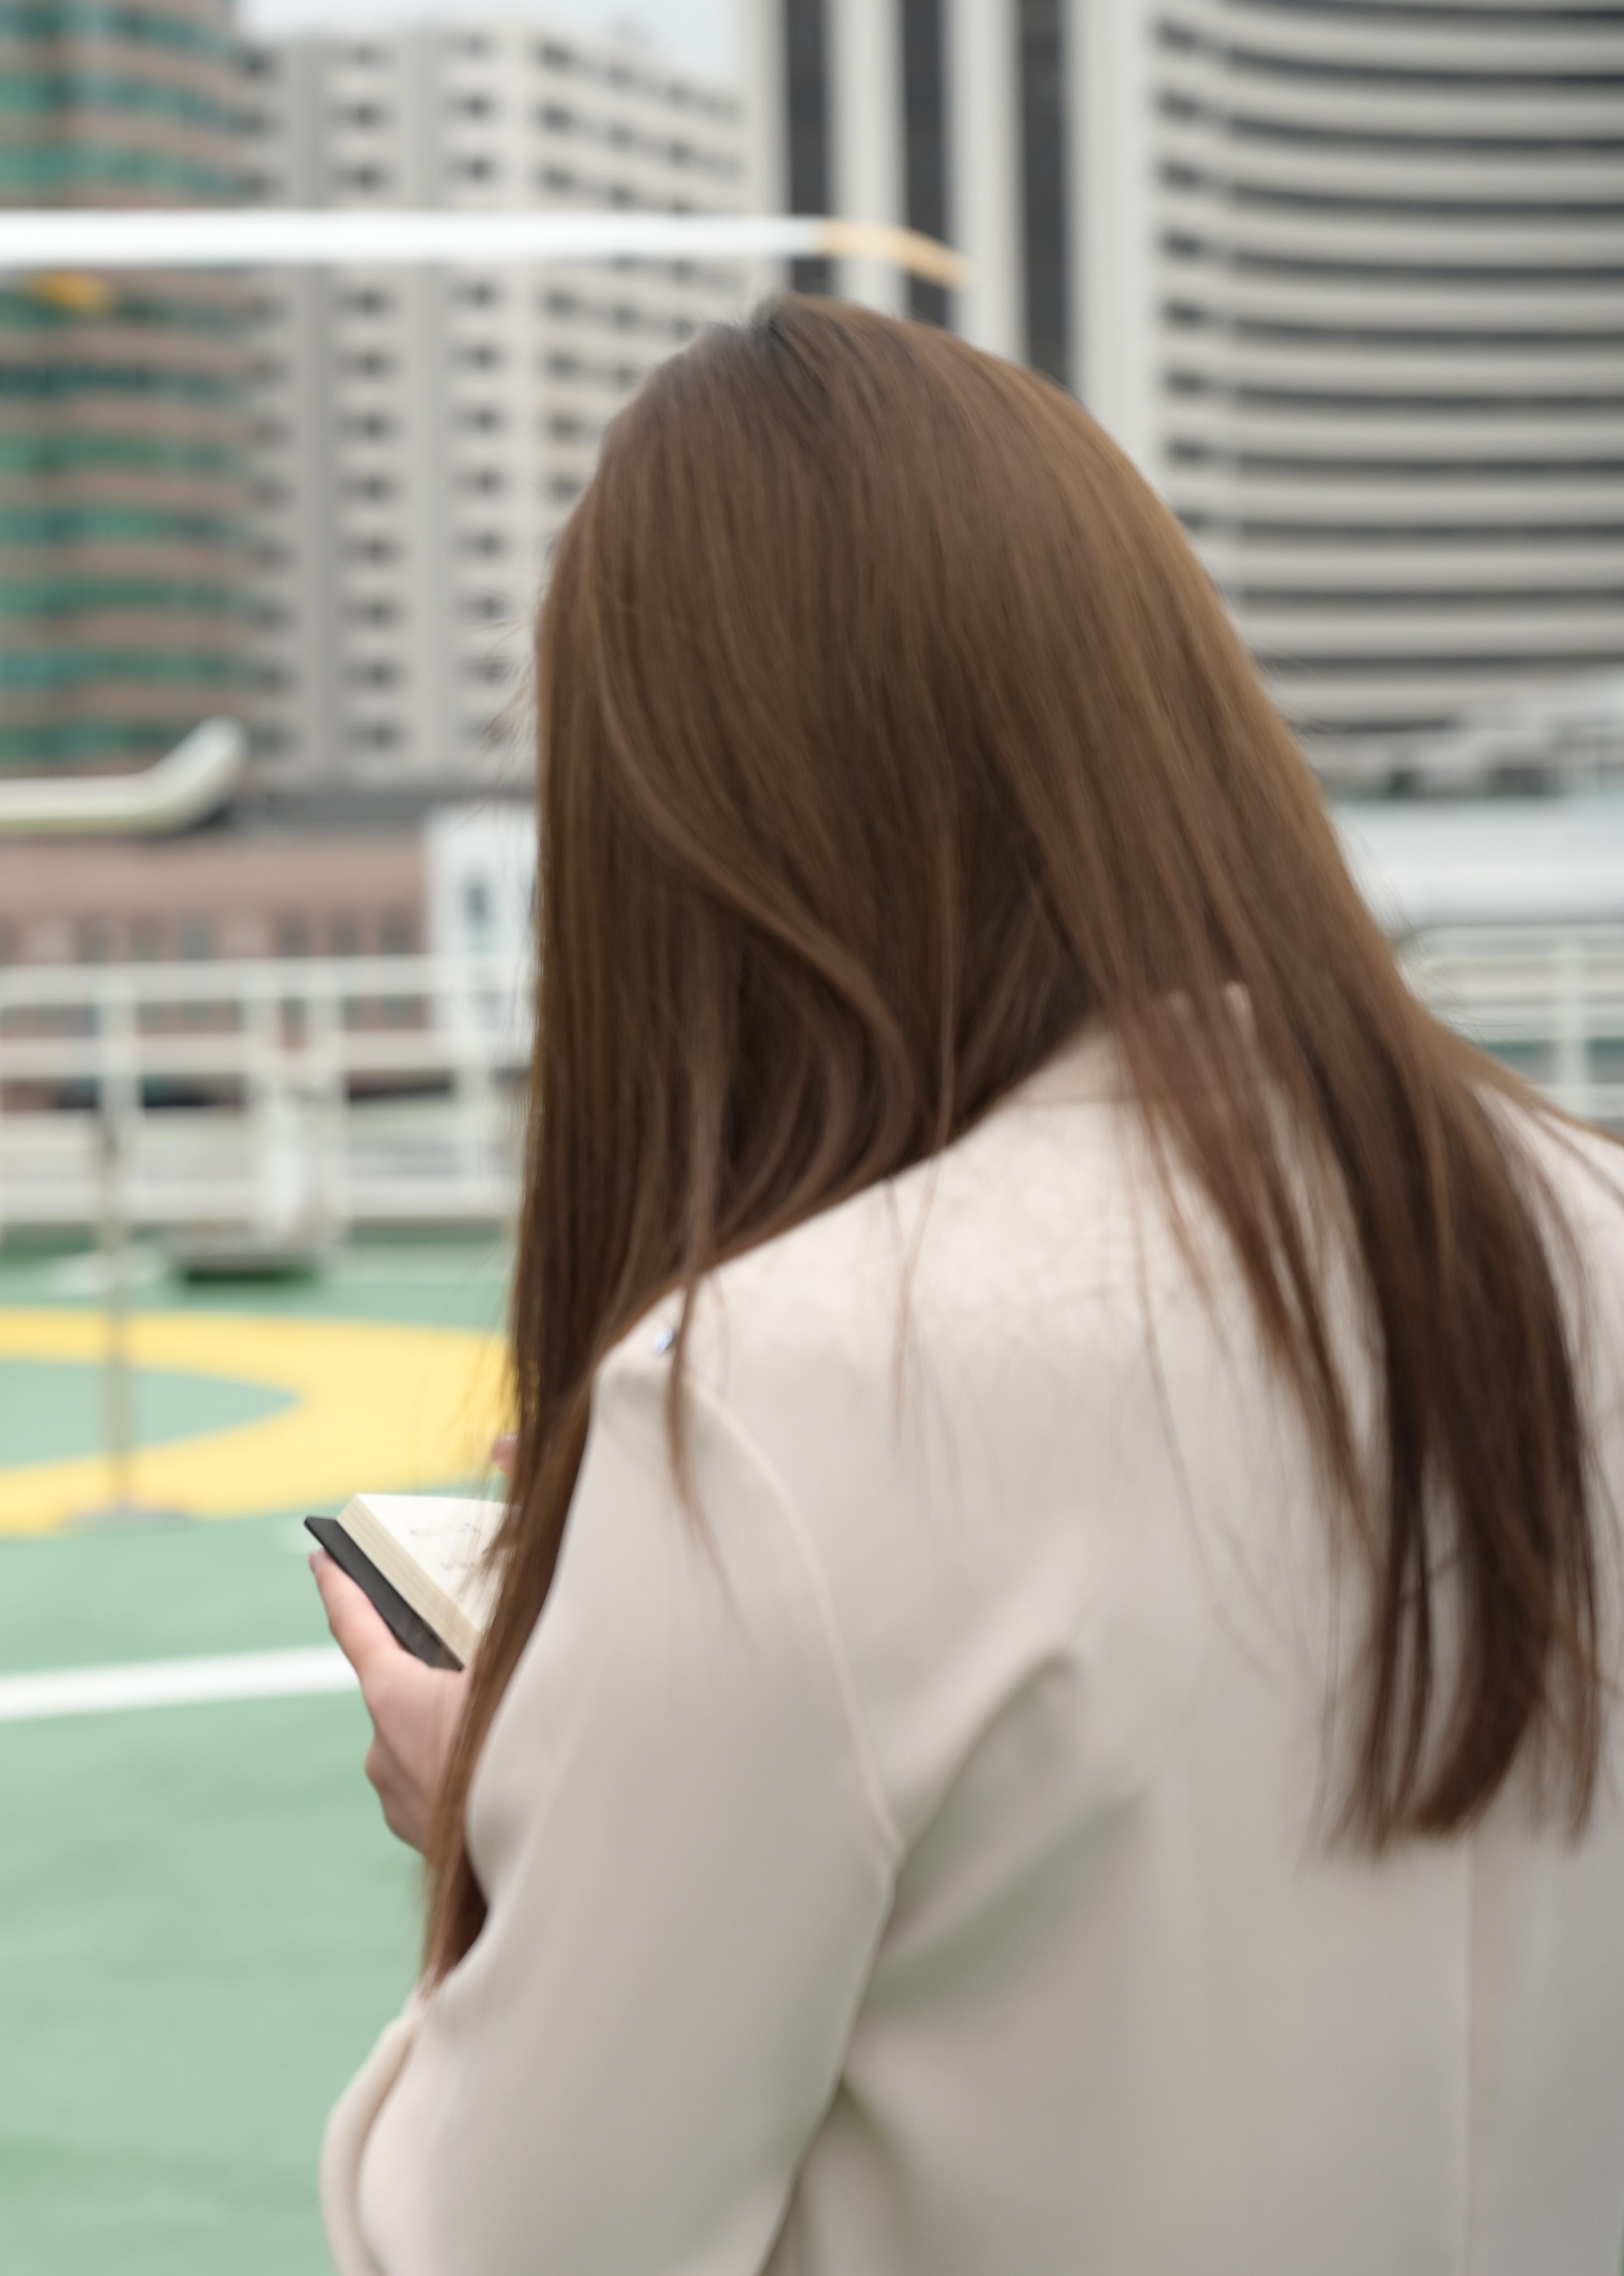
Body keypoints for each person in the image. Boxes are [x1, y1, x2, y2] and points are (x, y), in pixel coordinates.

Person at [311, 296, 1624, 2274]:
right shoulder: (1584, 1218)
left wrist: (502, 1833)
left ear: (679, 834)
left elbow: (525, 2247)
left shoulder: (776, 1388)